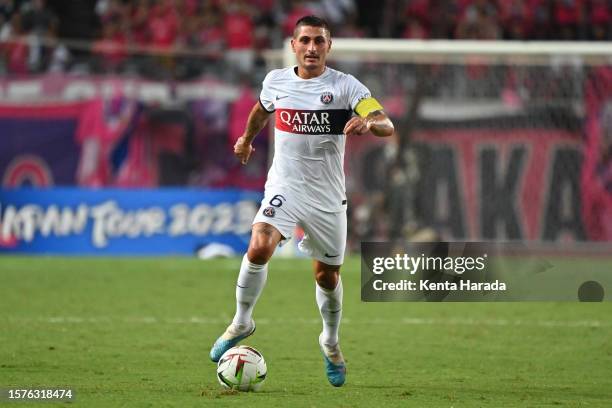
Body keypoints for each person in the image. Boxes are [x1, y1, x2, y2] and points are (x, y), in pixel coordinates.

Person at [209, 15, 394, 387]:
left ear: (329, 47)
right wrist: (247, 139)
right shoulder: (276, 81)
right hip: (285, 186)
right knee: (259, 245)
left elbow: (385, 122)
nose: (312, 48)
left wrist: (369, 123)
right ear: (293, 45)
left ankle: (330, 341)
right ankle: (242, 320)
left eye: (319, 41)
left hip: (327, 198)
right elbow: (262, 110)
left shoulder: (346, 87)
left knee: (327, 276)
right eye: (305, 40)